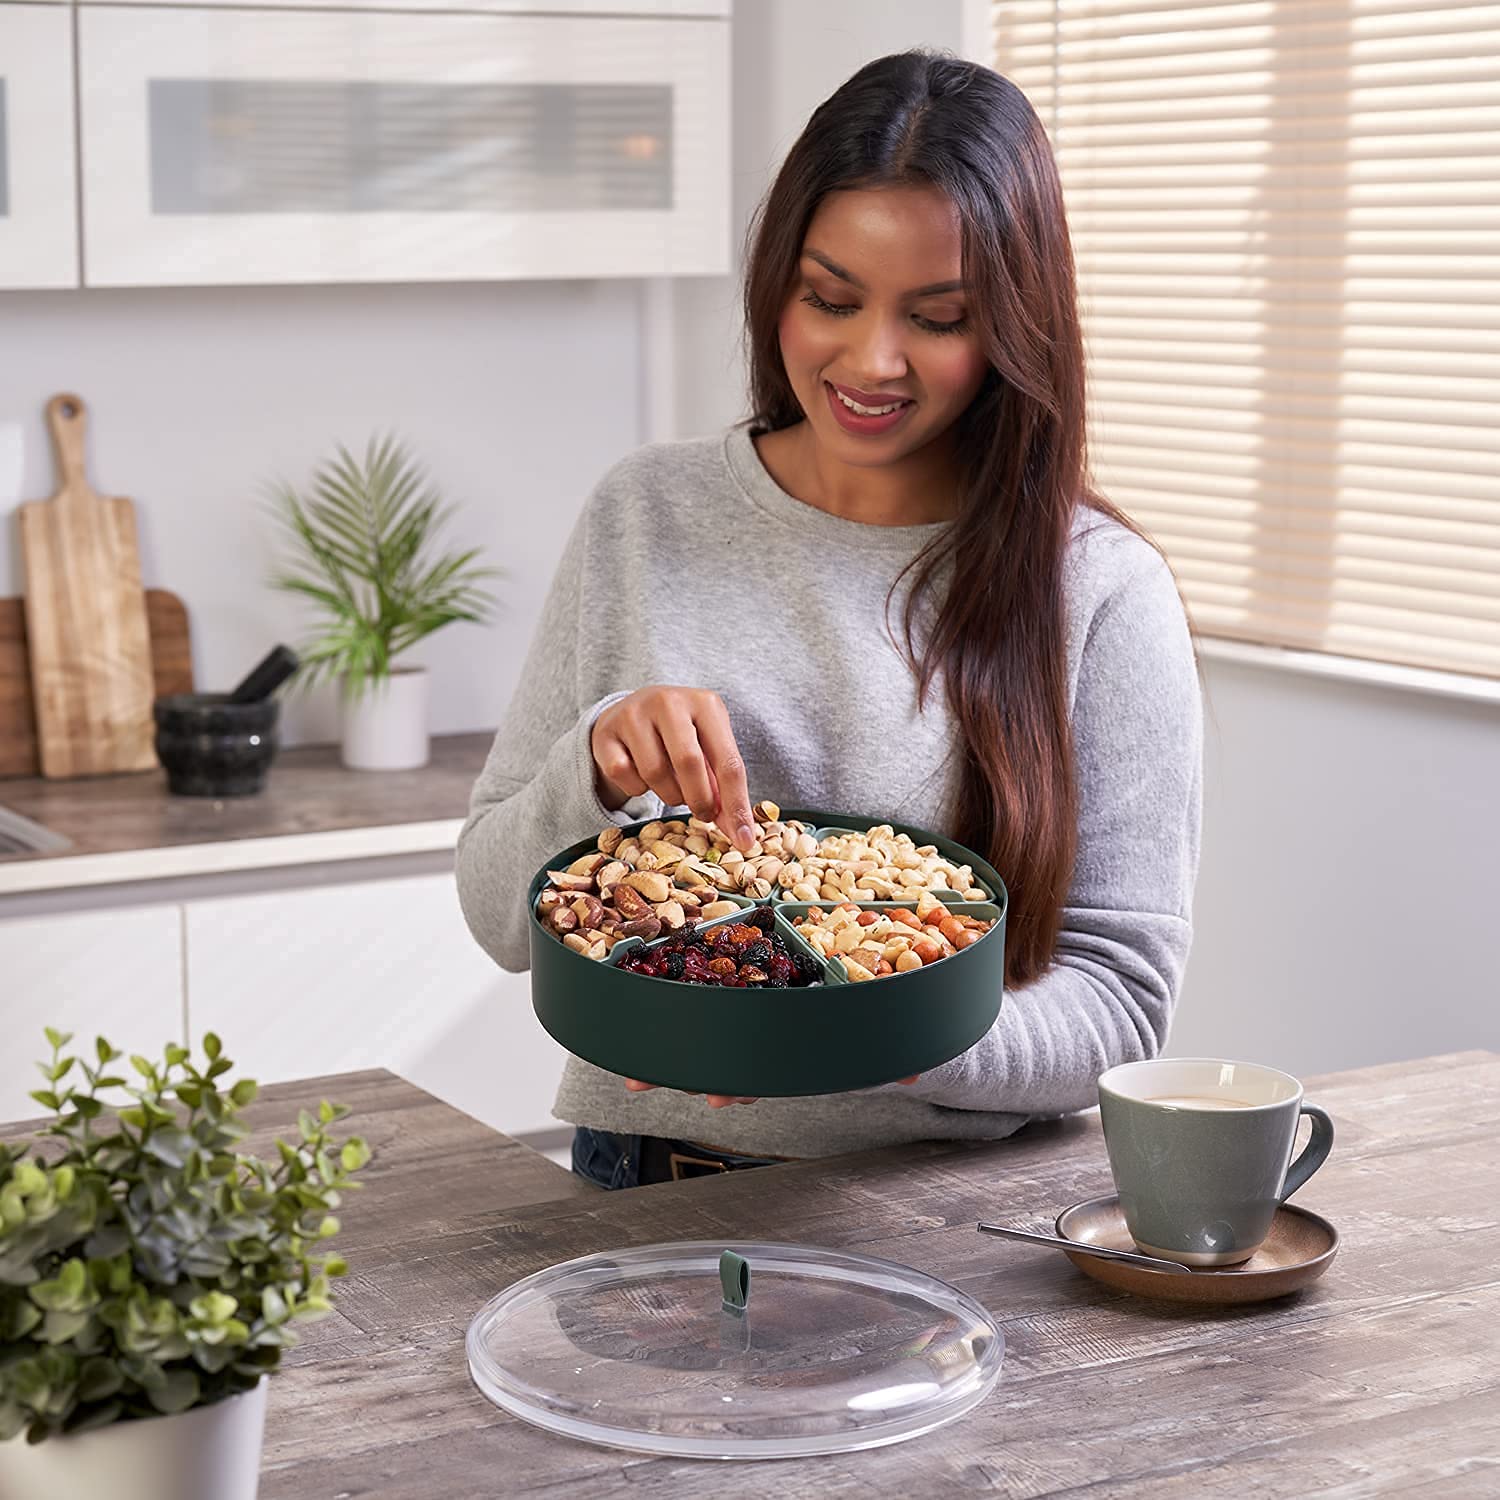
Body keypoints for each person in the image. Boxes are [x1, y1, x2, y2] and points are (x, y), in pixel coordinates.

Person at [456, 51, 1202, 1190]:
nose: (872, 360)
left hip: (946, 1219)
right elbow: (498, 917)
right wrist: (597, 762)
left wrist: (859, 1037)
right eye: (831, 298)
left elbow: (1122, 1000)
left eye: (939, 317)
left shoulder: (1097, 589)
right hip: (643, 1186)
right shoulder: (646, 514)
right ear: (777, 287)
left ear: (1013, 322)